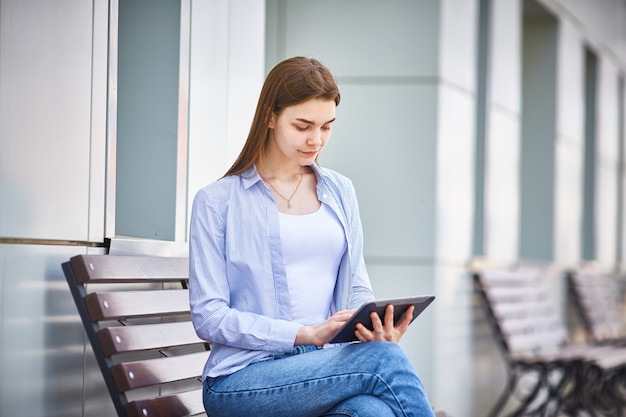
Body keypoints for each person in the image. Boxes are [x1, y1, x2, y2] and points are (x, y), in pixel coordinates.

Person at [189, 56, 435, 417]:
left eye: (326, 127)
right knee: (384, 362)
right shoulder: (217, 201)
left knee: (370, 411)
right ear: (270, 117)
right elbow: (209, 316)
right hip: (242, 382)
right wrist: (304, 333)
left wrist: (371, 326)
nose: (315, 140)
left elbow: (356, 285)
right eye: (303, 125)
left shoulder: (340, 190)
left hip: (323, 368)